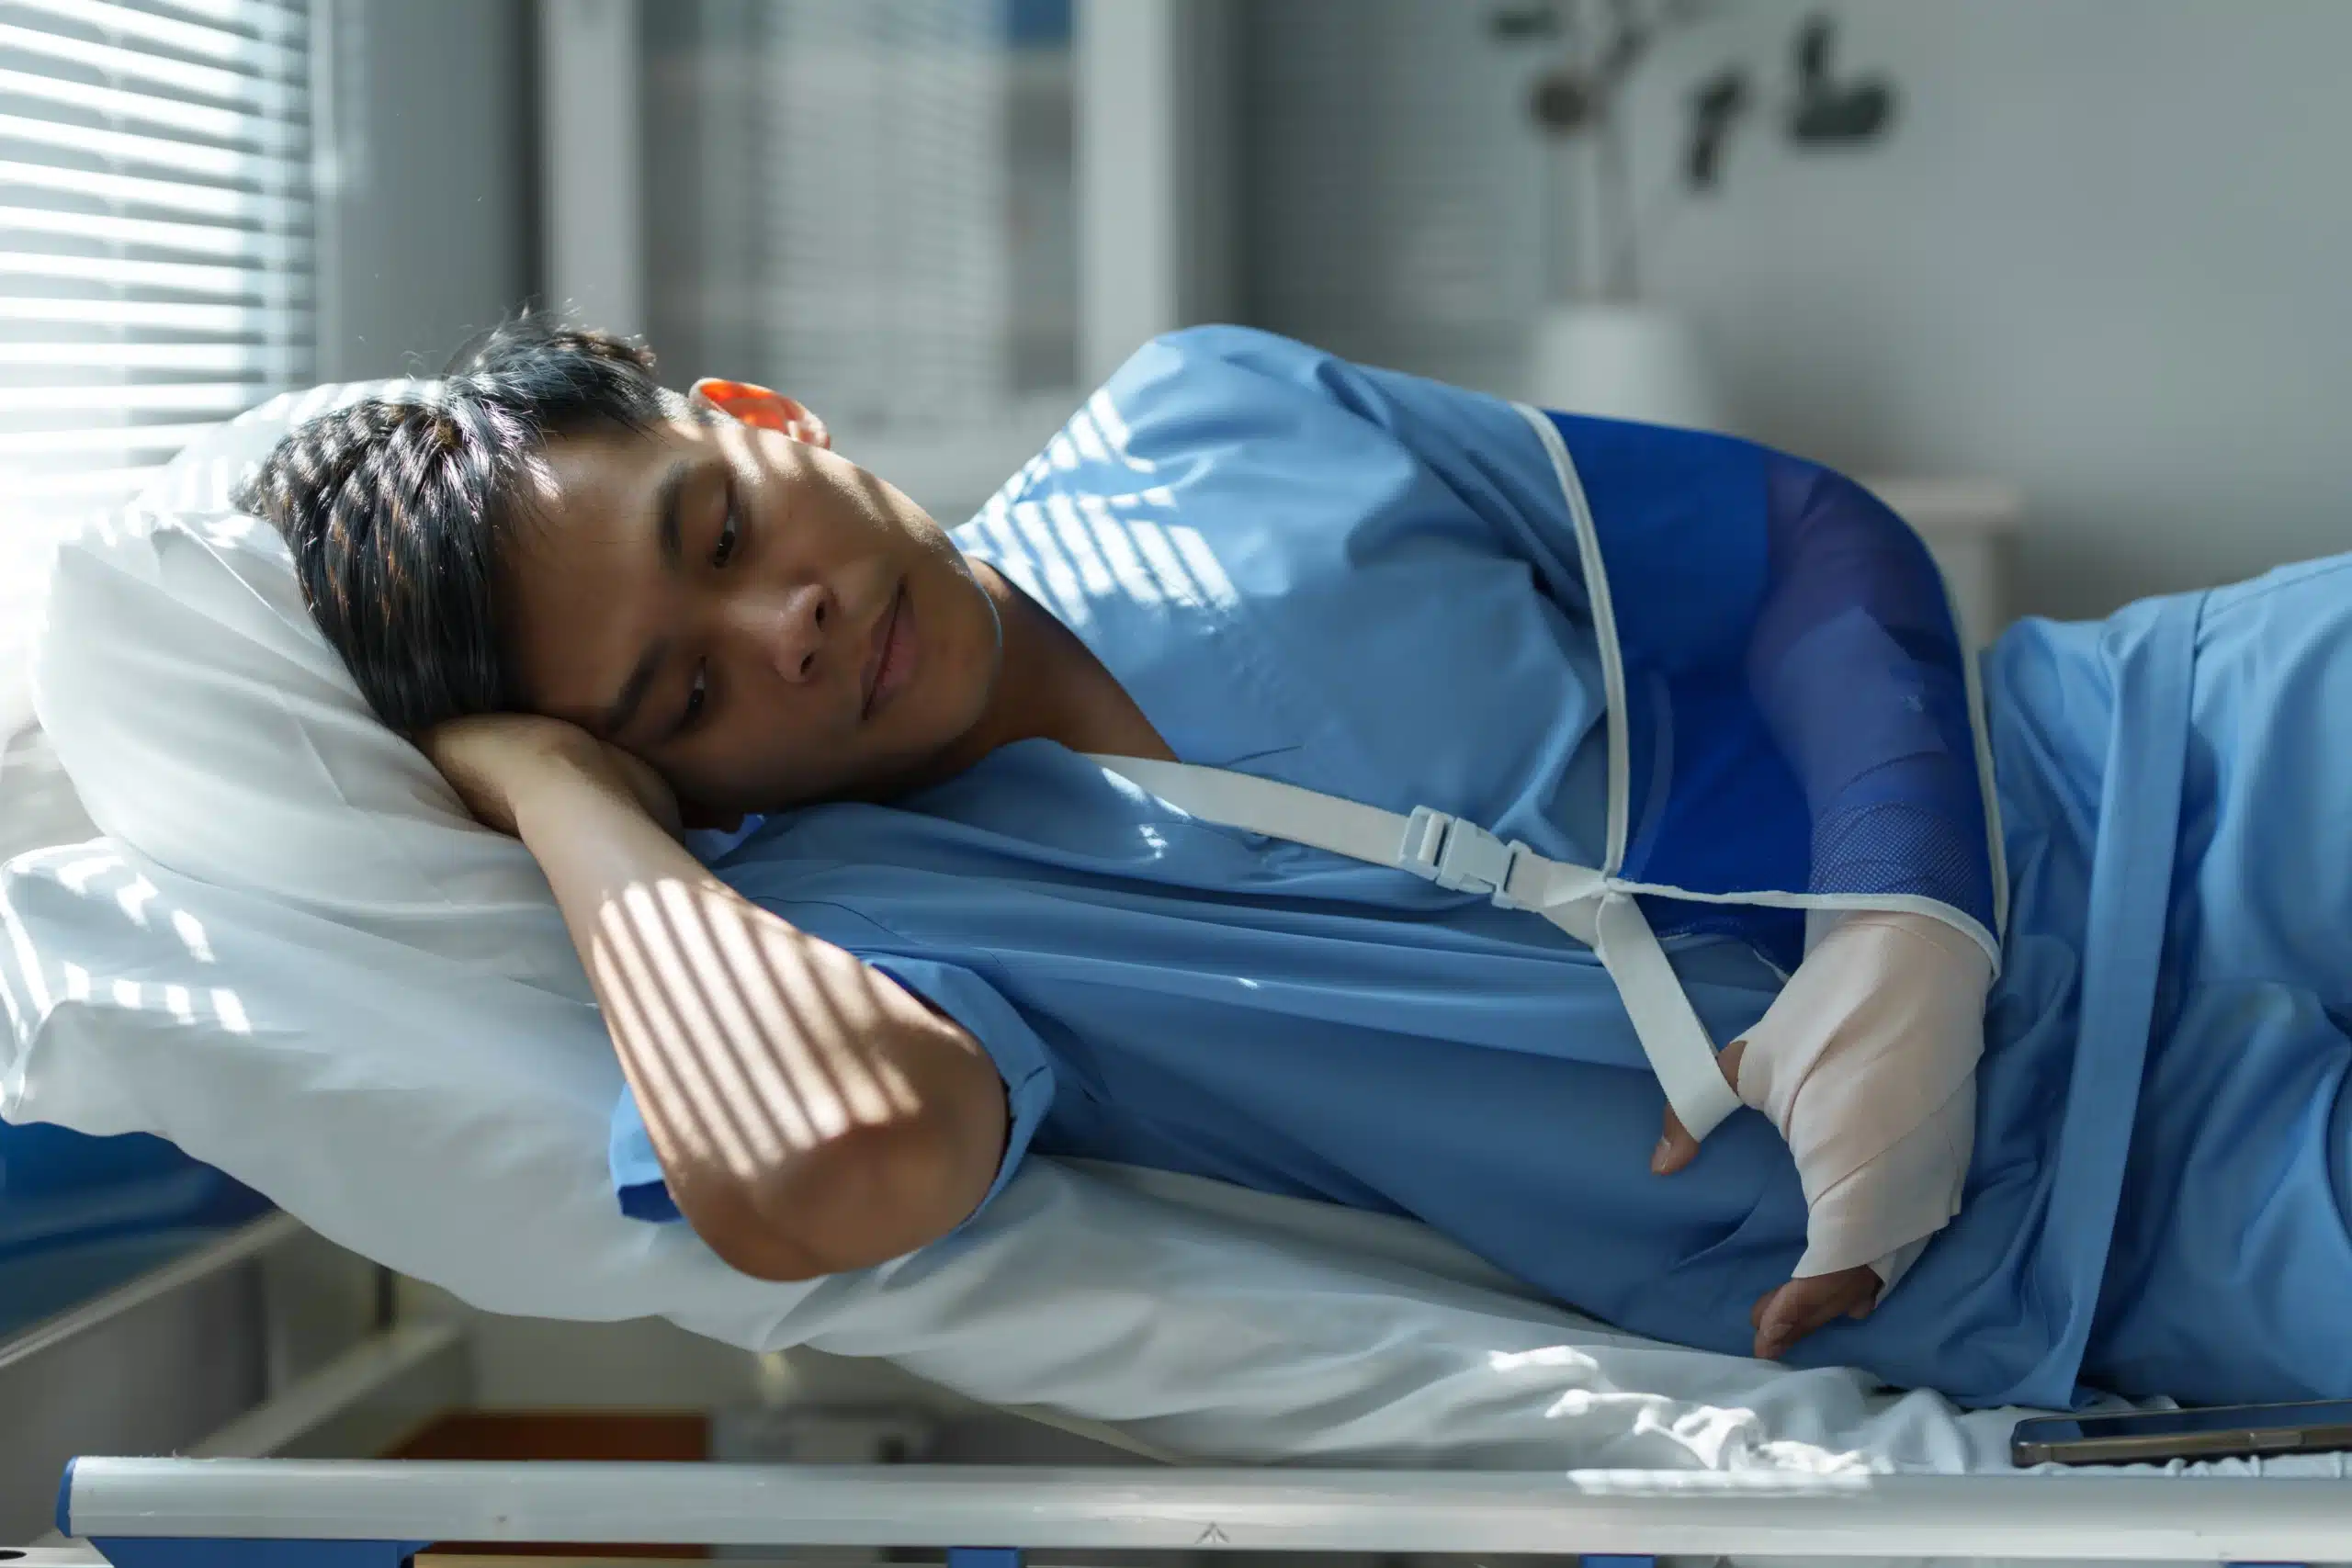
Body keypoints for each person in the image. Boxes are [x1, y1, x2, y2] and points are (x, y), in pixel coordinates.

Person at [238, 317, 2352, 1411]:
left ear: (758, 415)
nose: (775, 627)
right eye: (677, 702)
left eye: (717, 532)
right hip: (2084, 1224)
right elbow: (821, 1169)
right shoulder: (869, 925)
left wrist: (1909, 904)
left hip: (2166, 755)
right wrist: (560, 795)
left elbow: (1790, 545)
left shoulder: (1213, 419)